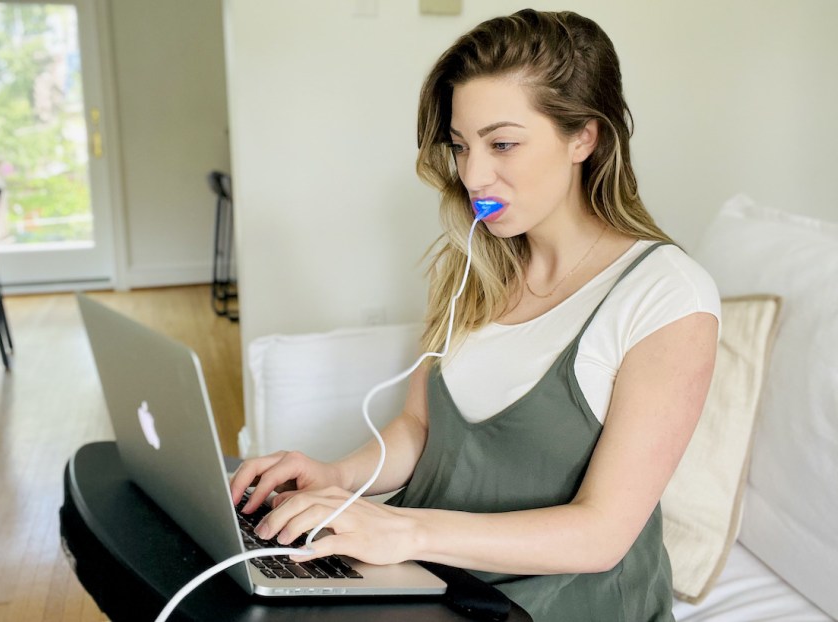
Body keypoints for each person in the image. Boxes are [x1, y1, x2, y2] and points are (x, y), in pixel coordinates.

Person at [230, 9, 719, 620]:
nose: (472, 174)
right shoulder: (471, 267)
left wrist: (406, 530)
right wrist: (336, 474)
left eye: (503, 143)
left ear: (583, 138)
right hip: (427, 583)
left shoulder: (668, 296)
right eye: (461, 146)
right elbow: (420, 426)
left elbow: (601, 533)